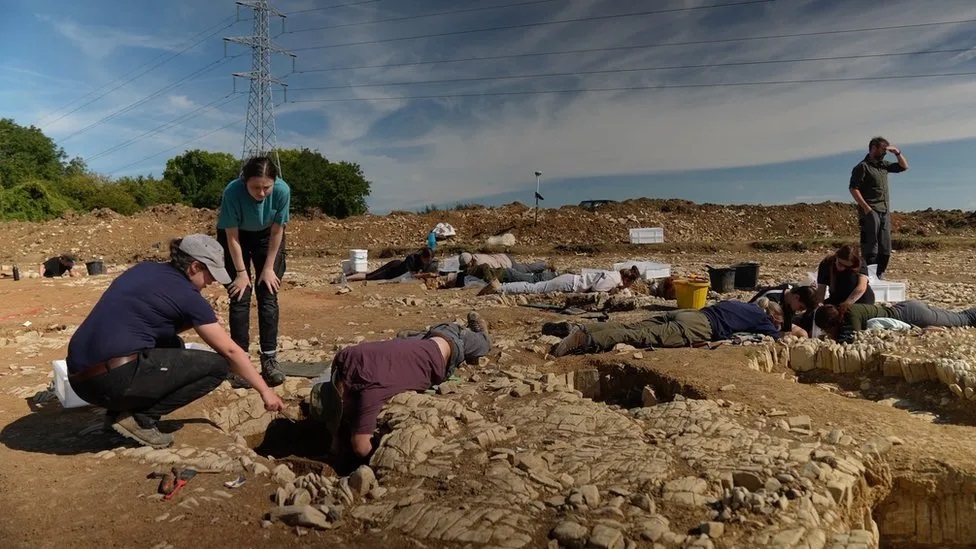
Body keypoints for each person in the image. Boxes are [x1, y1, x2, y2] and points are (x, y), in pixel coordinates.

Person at [66, 235, 284, 449]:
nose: (211, 282)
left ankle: (117, 413)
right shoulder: (188, 295)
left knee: (173, 345)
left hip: (80, 380)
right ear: (195, 267)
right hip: (110, 380)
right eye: (210, 275)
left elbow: (150, 326)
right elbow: (230, 351)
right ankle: (141, 419)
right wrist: (265, 391)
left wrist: (190, 322)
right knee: (218, 367)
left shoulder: (144, 270)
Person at [309, 312, 491, 465]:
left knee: (484, 344)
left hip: (452, 346)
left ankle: (478, 331)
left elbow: (361, 447)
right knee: (409, 343)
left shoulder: (371, 392)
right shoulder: (344, 357)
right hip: (427, 338)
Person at [216, 156, 290, 387]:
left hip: (267, 236)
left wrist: (268, 268)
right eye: (255, 187)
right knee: (240, 295)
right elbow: (231, 235)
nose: (261, 193)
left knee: (268, 294)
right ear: (244, 181)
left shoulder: (282, 191)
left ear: (274, 183)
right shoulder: (232, 192)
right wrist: (240, 272)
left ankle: (269, 360)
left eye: (266, 187)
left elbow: (278, 231)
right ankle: (240, 363)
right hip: (236, 238)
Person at [550, 299, 783, 357]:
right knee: (640, 335)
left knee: (633, 324)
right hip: (702, 327)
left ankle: (582, 326)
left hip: (693, 313)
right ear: (771, 315)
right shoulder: (762, 319)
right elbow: (776, 337)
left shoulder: (742, 304)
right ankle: (584, 339)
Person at [849, 136, 908, 280]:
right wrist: (866, 208)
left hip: (884, 210)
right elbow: (853, 188)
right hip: (870, 210)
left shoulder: (883, 165)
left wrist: (897, 153)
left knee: (885, 245)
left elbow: (903, 167)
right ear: (873, 148)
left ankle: (880, 273)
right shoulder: (862, 167)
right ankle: (868, 276)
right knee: (871, 245)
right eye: (883, 150)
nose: (884, 154)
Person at [815, 301, 976, 343]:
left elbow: (852, 339)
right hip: (908, 309)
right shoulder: (848, 311)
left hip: (911, 316)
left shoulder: (851, 315)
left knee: (964, 319)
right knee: (958, 316)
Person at [478, 266, 641, 296]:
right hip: (571, 284)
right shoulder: (613, 279)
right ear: (627, 279)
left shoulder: (614, 275)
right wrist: (612, 293)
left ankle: (502, 287)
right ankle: (501, 289)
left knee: (536, 286)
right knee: (535, 288)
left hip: (570, 280)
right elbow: (596, 290)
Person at [749, 283, 817, 337]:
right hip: (755, 324)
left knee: (803, 334)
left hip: (775, 326)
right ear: (796, 297)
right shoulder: (772, 297)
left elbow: (786, 328)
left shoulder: (791, 303)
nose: (799, 310)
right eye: (800, 307)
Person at [343, 247, 436, 282]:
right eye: (427, 260)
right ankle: (346, 278)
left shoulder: (425, 262)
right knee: (369, 276)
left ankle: (351, 276)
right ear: (422, 256)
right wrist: (426, 275)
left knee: (371, 275)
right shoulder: (411, 258)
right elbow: (412, 274)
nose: (428, 262)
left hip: (397, 273)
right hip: (392, 270)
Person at [459, 252, 548, 274]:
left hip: (506, 263)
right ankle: (541, 267)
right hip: (503, 257)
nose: (467, 268)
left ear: (470, 262)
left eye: (467, 266)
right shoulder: (475, 256)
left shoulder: (479, 263)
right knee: (525, 267)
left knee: (525, 269)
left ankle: (545, 265)